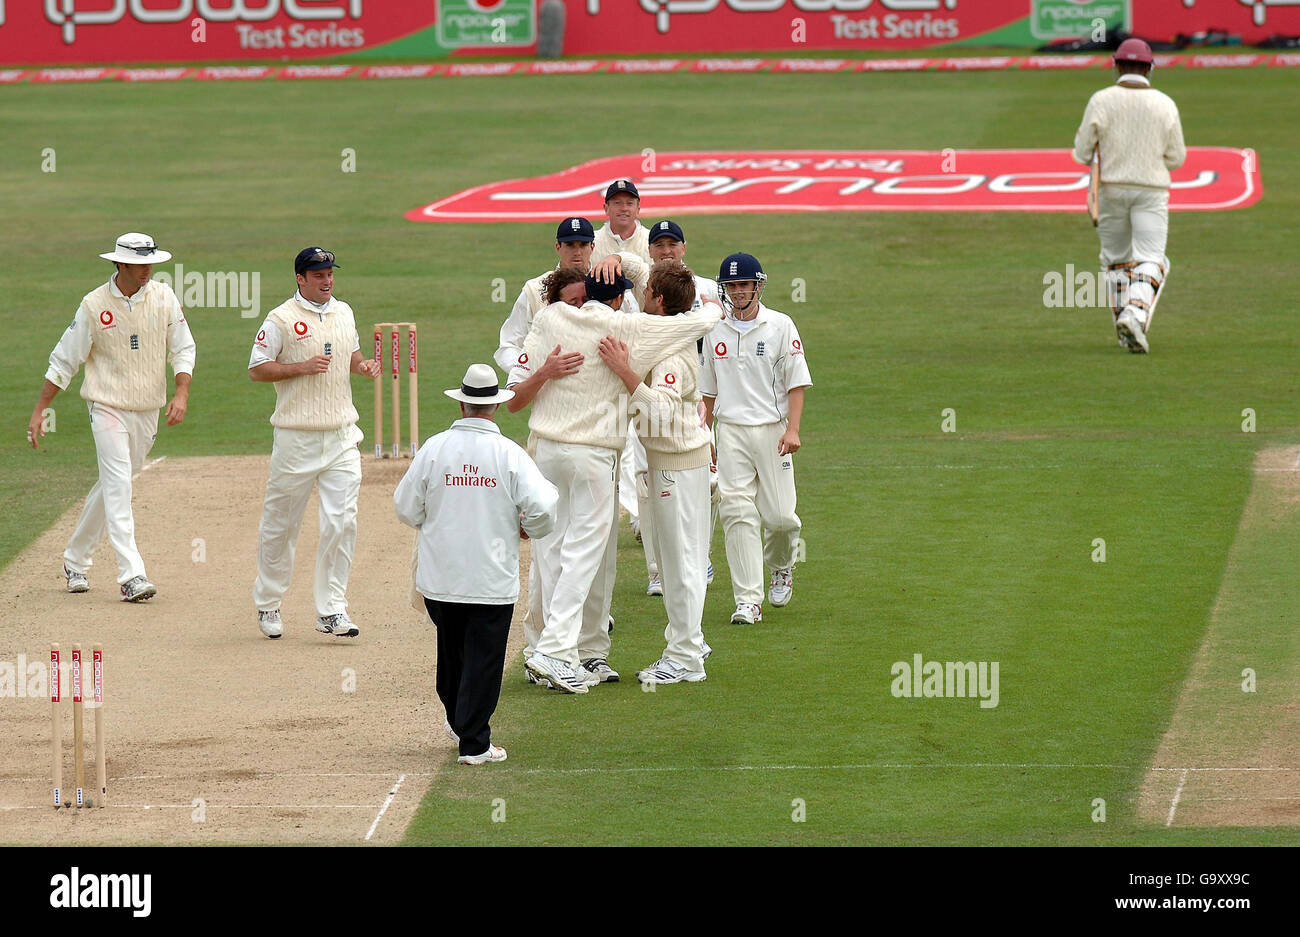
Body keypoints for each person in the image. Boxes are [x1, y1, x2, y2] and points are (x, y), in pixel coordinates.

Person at [506, 260, 718, 693]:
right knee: (585, 554)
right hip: (594, 456)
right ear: (622, 296)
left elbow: (514, 391)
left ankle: (556, 650)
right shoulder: (633, 330)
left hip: (546, 451)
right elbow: (704, 318)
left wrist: (622, 263)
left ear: (586, 288)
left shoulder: (549, 316)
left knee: (552, 554)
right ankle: (556, 651)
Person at [394, 364, 558, 765]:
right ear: (495, 408)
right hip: (490, 579)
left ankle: (460, 722)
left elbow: (405, 507)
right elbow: (545, 508)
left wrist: (432, 518)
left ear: (464, 404)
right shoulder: (509, 454)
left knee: (452, 653)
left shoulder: (435, 448)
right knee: (483, 659)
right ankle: (475, 743)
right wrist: (527, 528)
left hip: (441, 578)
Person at [27, 232, 196, 602]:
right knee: (119, 486)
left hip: (148, 408)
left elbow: (183, 347)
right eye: (138, 265)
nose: (146, 270)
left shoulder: (164, 297)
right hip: (106, 406)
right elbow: (64, 360)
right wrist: (41, 409)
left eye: (149, 263)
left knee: (112, 484)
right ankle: (131, 574)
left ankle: (75, 559)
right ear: (119, 264)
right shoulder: (93, 305)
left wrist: (181, 392)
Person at [248, 247, 381, 639]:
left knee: (342, 522)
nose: (327, 280)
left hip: (341, 433)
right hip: (296, 437)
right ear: (300, 279)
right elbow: (257, 369)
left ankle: (332, 609)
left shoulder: (344, 312)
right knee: (282, 525)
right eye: (318, 274)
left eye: (329, 273)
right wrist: (299, 369)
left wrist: (363, 365)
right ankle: (269, 602)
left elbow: (352, 353)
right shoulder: (281, 320)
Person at [599, 261, 715, 684]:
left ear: (659, 301)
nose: (641, 295)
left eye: (647, 291)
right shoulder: (672, 331)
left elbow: (662, 413)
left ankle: (685, 657)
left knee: (679, 563)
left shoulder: (671, 352)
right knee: (680, 560)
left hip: (676, 466)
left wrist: (624, 371)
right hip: (678, 462)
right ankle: (690, 641)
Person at [701, 252, 812, 625]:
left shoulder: (780, 325)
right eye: (731, 286)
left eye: (742, 285)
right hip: (730, 430)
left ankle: (782, 566)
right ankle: (748, 600)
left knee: (781, 518)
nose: (737, 292)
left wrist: (793, 429)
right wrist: (705, 433)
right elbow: (708, 393)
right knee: (737, 512)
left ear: (757, 286)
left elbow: (796, 382)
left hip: (772, 430)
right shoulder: (714, 329)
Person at [1073, 36, 1186, 354]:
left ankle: (1127, 324)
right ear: (1149, 68)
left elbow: (1083, 153)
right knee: (1152, 259)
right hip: (1151, 190)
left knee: (1116, 261)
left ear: (1117, 65)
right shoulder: (1165, 104)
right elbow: (1177, 158)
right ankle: (1135, 315)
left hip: (1110, 190)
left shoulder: (1101, 100)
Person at [494, 217, 643, 373]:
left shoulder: (611, 283)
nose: (577, 252)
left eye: (583, 245)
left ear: (592, 246)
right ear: (558, 247)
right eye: (570, 245)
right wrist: (536, 374)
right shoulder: (534, 289)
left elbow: (634, 336)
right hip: (551, 390)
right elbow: (508, 345)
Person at [592, 179, 650, 268]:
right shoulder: (592, 243)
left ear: (638, 209)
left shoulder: (651, 241)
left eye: (629, 203)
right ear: (606, 208)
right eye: (617, 203)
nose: (624, 208)